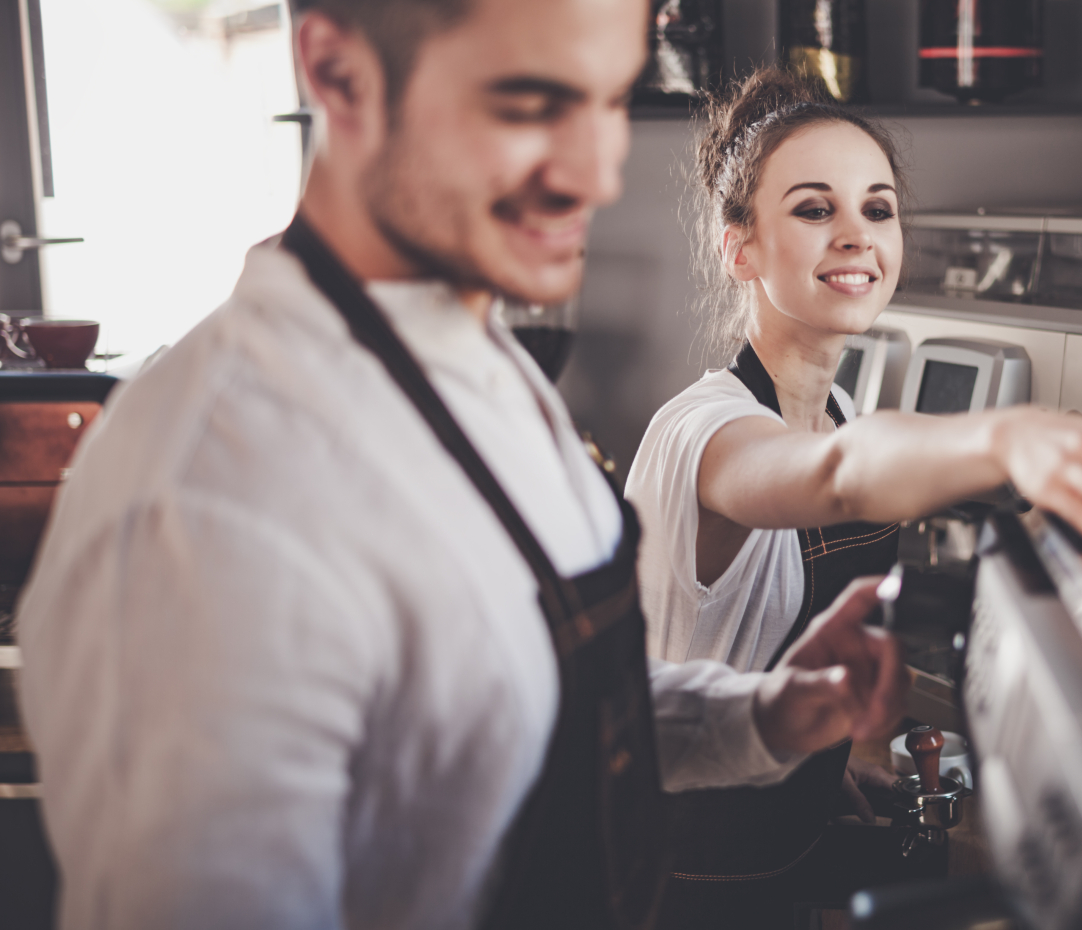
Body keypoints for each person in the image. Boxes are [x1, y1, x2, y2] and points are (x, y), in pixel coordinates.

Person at [15, 2, 907, 929]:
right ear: (339, 72)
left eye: (606, 99)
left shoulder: (488, 376)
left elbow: (525, 697)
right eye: (530, 100)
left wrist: (760, 719)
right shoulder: (211, 487)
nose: (597, 172)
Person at [623, 68, 1082, 926]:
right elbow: (839, 475)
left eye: (878, 208)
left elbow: (847, 467)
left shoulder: (839, 412)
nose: (857, 236)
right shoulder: (702, 432)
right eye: (815, 209)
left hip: (782, 835)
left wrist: (828, 769)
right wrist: (1011, 437)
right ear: (738, 247)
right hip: (688, 880)